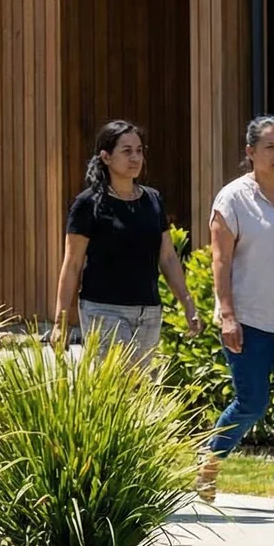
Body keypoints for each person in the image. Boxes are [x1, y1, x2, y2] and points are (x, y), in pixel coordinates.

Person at [197, 115, 274, 511]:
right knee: (251, 402)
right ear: (250, 152)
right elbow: (221, 262)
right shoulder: (232, 200)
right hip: (249, 319)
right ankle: (208, 467)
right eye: (269, 147)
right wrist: (227, 315)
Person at [52, 120, 201, 364]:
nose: (135, 158)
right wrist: (61, 322)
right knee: (119, 380)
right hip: (103, 309)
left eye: (139, 151)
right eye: (127, 151)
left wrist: (187, 303)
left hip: (148, 312)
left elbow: (168, 258)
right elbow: (72, 264)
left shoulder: (153, 200)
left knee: (141, 384)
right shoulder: (88, 204)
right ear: (106, 157)